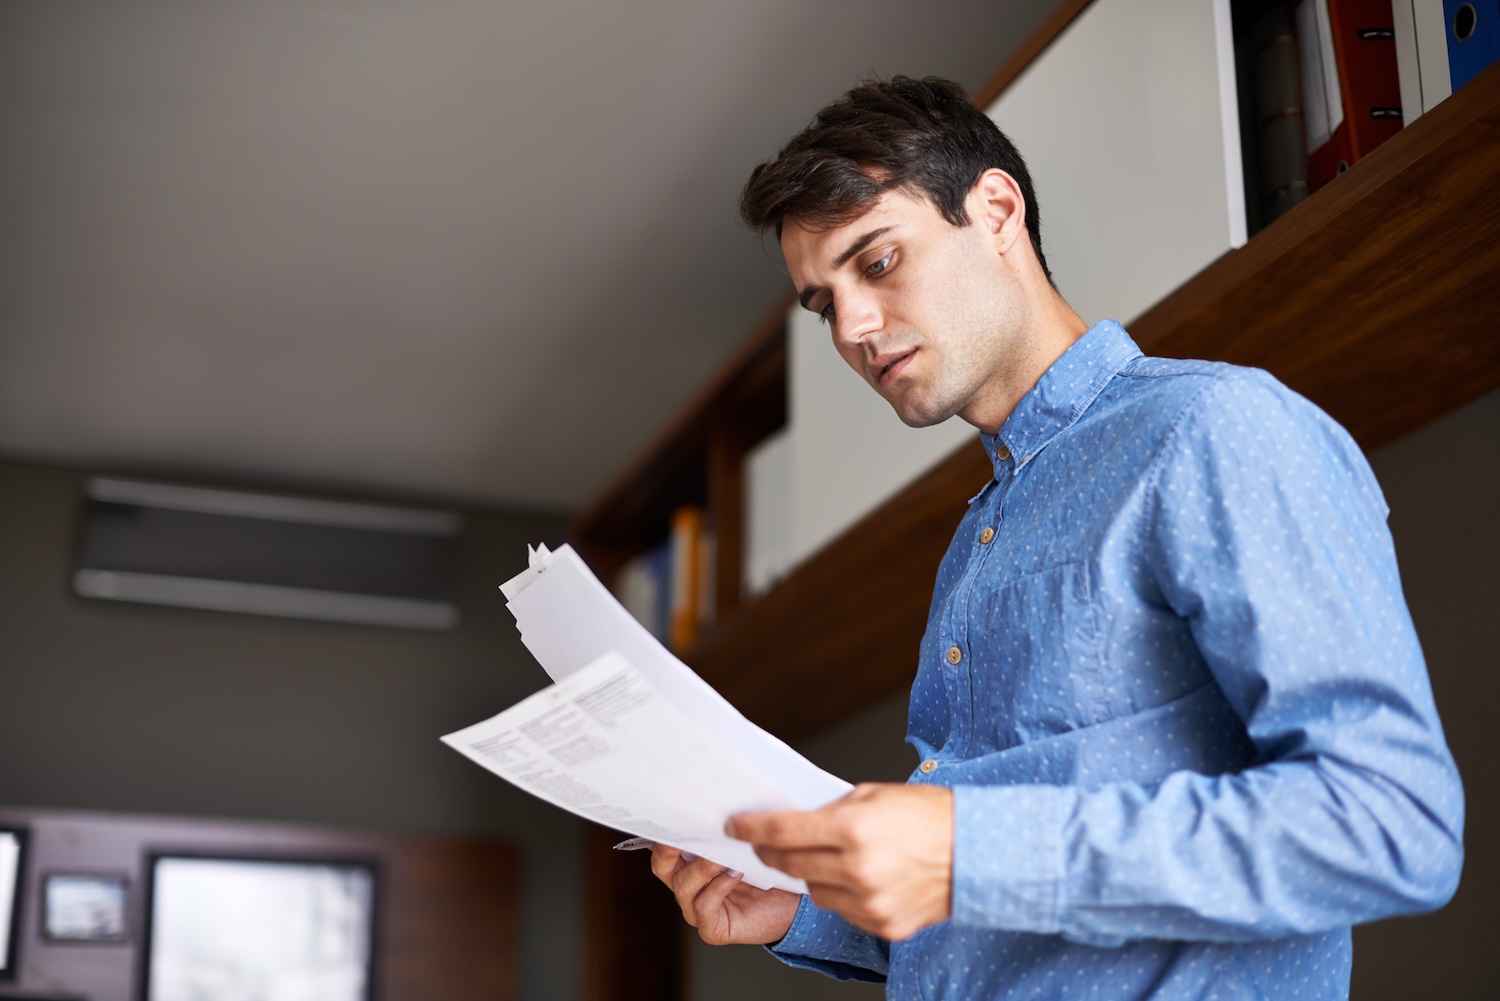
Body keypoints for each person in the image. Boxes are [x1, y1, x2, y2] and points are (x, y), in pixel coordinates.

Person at [649, 76, 1464, 999]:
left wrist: (964, 849)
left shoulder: (1214, 430)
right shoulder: (977, 540)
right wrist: (806, 905)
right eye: (822, 303)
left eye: (876, 264)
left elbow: (1392, 822)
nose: (853, 329)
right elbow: (1026, 923)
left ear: (997, 209)